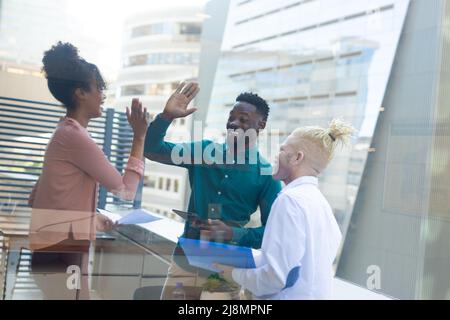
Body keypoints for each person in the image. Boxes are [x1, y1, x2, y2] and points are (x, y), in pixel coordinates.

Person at [28, 42, 149, 299]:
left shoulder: (64, 133)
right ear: (81, 93)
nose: (103, 94)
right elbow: (126, 192)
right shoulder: (73, 137)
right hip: (61, 253)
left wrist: (90, 217)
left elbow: (39, 197)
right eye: (99, 88)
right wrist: (139, 137)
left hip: (53, 252)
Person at [144, 89, 282, 299]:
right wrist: (167, 116)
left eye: (243, 119)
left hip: (226, 272)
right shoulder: (202, 152)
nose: (234, 124)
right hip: (185, 262)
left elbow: (272, 234)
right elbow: (152, 150)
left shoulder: (266, 175)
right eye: (231, 118)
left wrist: (233, 233)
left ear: (261, 125)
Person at [215, 119, 356, 300]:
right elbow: (297, 262)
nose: (276, 155)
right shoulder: (321, 204)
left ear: (298, 157)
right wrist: (244, 260)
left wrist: (233, 274)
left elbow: (276, 278)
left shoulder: (289, 201)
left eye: (282, 150)